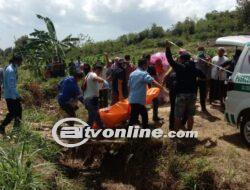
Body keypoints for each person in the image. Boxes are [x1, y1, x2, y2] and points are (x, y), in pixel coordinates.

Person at [165, 41, 206, 131]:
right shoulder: (195, 68)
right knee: (190, 115)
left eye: (180, 59)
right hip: (192, 94)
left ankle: (175, 134)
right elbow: (203, 77)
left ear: (182, 59)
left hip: (181, 94)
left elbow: (170, 60)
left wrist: (167, 48)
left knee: (177, 116)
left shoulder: (181, 67)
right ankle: (189, 132)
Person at [128, 58, 167, 128]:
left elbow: (129, 86)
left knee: (135, 116)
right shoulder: (144, 73)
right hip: (139, 99)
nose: (147, 66)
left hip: (132, 98)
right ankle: (144, 130)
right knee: (143, 115)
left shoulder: (132, 74)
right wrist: (162, 88)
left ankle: (131, 131)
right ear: (143, 65)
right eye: (147, 65)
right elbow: (152, 81)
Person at [0, 55, 23, 135]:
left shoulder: (13, 68)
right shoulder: (10, 70)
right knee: (13, 113)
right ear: (16, 61)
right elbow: (11, 86)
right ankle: (2, 127)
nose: (21, 64)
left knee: (18, 112)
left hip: (12, 95)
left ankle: (16, 130)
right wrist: (18, 96)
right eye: (20, 62)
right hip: (10, 96)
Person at [83, 63, 106, 128]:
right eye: (99, 71)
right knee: (91, 119)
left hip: (90, 100)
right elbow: (96, 78)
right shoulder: (92, 74)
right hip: (91, 100)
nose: (99, 73)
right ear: (96, 70)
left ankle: (102, 131)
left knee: (97, 117)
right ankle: (84, 134)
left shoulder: (87, 75)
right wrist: (102, 80)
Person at [144, 54, 163, 122]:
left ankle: (139, 120)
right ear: (149, 59)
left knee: (142, 105)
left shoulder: (140, 68)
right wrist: (159, 85)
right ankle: (155, 117)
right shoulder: (151, 67)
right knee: (155, 102)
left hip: (143, 89)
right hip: (151, 88)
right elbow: (155, 78)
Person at [195, 46, 211, 112]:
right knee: (194, 93)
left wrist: (208, 61)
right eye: (199, 50)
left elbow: (209, 66)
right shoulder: (196, 57)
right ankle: (193, 106)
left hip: (203, 79)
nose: (199, 51)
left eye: (200, 50)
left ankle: (203, 107)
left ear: (203, 50)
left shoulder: (207, 58)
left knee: (202, 94)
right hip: (196, 78)